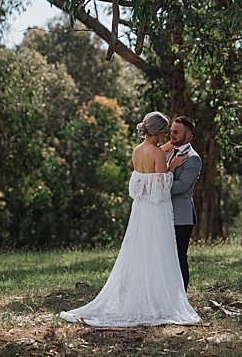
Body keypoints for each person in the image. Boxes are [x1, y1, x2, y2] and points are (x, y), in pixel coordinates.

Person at [59, 111, 201, 327]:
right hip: (157, 211)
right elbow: (161, 189)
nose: (168, 135)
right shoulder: (160, 154)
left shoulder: (137, 151)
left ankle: (158, 296)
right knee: (160, 257)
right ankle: (160, 302)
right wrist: (171, 168)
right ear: (158, 131)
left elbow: (139, 186)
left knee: (152, 256)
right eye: (166, 131)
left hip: (143, 211)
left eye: (173, 132)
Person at [160, 116, 201, 291]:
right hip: (162, 213)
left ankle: (180, 296)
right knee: (163, 257)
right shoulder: (167, 152)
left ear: (189, 135)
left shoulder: (193, 159)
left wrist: (158, 186)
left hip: (181, 217)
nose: (172, 135)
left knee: (178, 257)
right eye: (171, 131)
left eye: (177, 132)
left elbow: (181, 186)